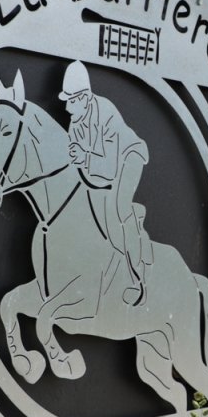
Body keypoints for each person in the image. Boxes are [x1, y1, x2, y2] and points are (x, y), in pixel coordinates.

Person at [59, 60, 150, 305]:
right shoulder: (75, 120)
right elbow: (74, 161)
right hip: (101, 168)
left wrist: (84, 156)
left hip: (129, 158)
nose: (67, 107)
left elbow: (110, 169)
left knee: (119, 208)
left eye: (71, 101)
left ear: (84, 98)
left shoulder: (106, 112)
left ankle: (137, 277)